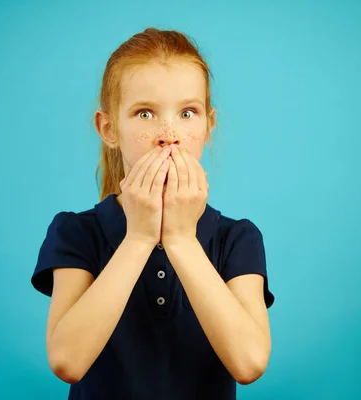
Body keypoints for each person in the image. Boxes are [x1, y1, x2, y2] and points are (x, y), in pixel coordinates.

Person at [31, 27, 275, 400]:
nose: (168, 134)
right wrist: (140, 237)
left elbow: (249, 363)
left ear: (208, 125)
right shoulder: (76, 232)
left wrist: (180, 239)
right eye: (144, 113)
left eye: (187, 113)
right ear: (109, 128)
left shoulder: (237, 238)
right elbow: (67, 361)